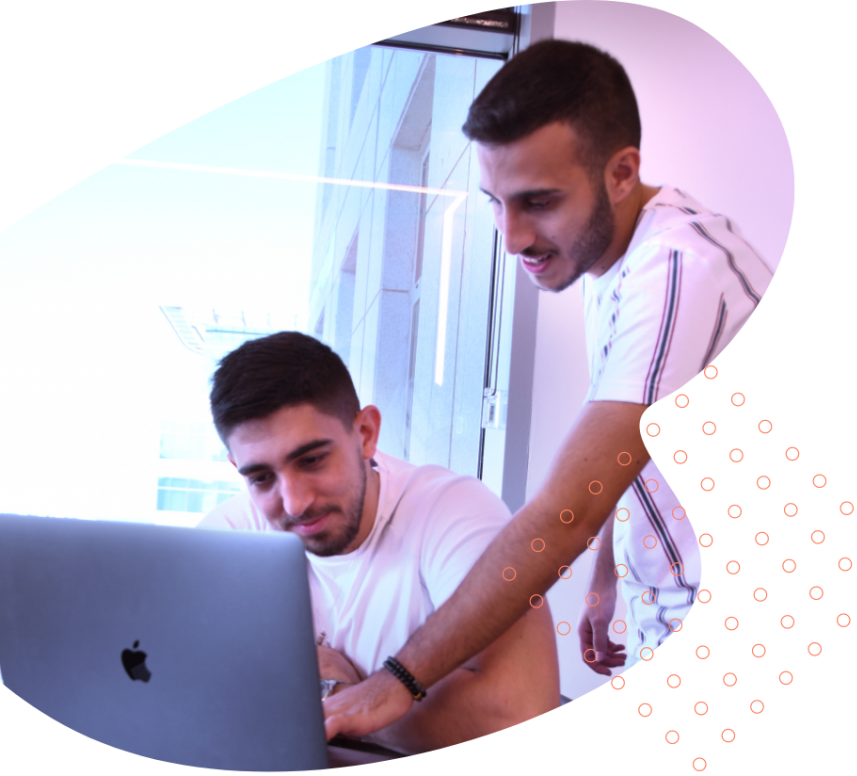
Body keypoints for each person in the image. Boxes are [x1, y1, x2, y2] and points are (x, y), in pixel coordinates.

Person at [322, 39, 773, 741]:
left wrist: (396, 681)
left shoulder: (677, 269)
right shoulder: (611, 258)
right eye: (497, 203)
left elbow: (567, 509)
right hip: (660, 604)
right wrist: (609, 576)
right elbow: (634, 450)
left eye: (539, 202)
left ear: (621, 172)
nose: (513, 237)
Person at [196, 331, 561, 756]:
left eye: (312, 460)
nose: (294, 502)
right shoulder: (231, 534)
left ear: (366, 433)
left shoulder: (451, 511)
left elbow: (518, 713)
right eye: (261, 477)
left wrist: (337, 692)